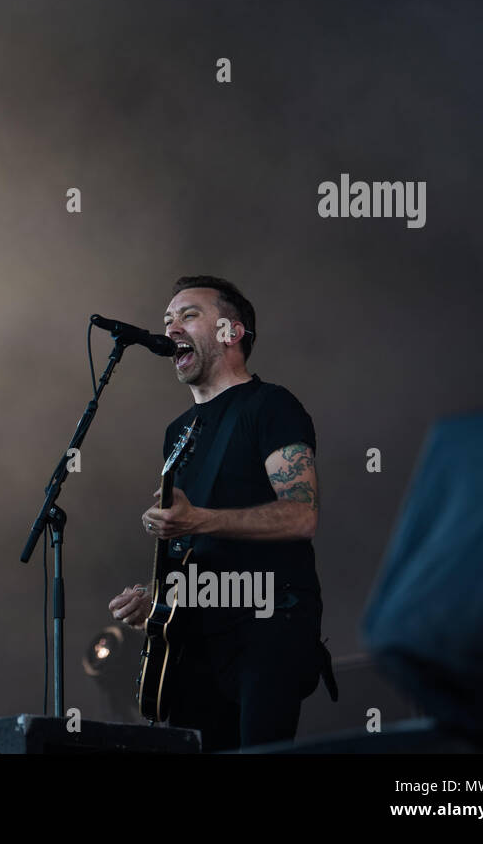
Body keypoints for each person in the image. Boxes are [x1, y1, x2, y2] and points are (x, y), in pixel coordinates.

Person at [107, 275, 335, 751]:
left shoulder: (271, 406)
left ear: (232, 332)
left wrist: (198, 519)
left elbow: (301, 516)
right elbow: (197, 551)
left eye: (188, 315)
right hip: (196, 637)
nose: (170, 328)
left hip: (267, 623)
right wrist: (159, 599)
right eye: (167, 319)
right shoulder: (178, 433)